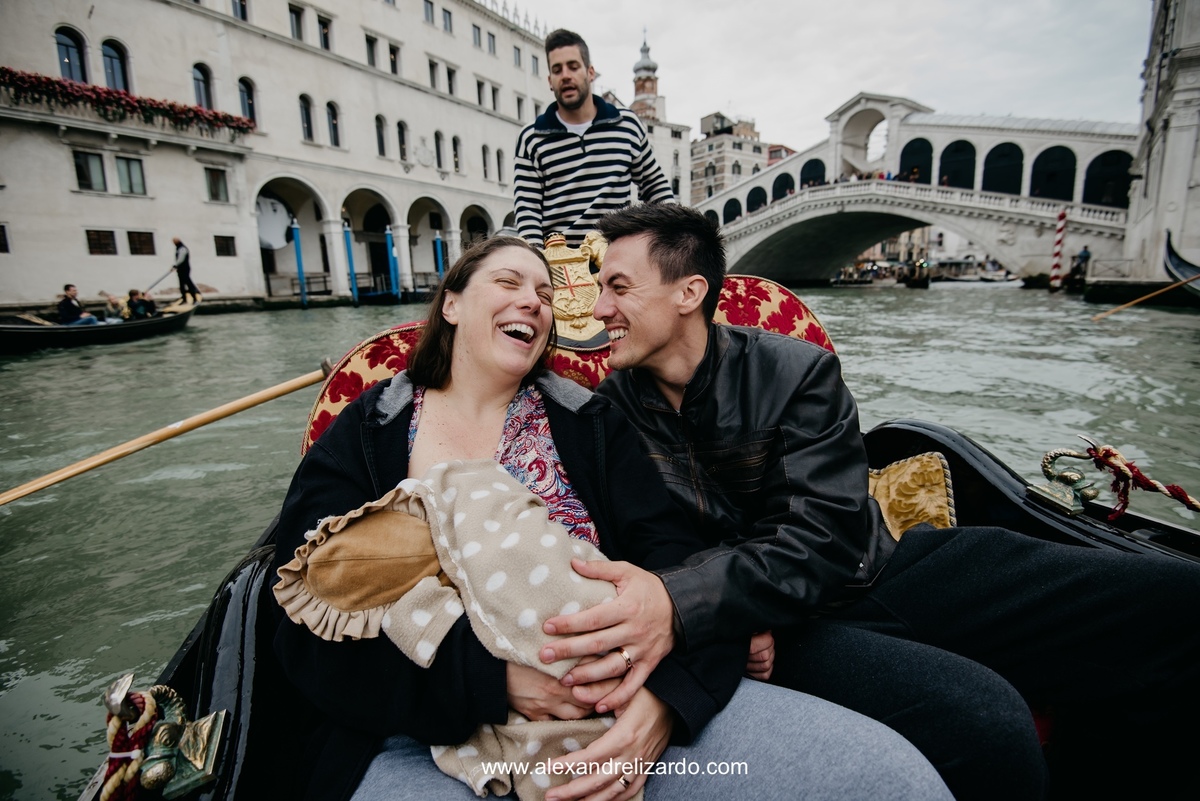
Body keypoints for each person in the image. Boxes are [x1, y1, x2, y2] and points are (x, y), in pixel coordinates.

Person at [534, 203, 1200, 801]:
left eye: (618, 286)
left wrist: (700, 601)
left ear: (689, 292)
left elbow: (823, 536)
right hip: (793, 633)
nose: (595, 311)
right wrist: (728, 617)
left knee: (1174, 599)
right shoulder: (609, 414)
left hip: (883, 570)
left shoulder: (794, 370)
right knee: (987, 720)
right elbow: (644, 542)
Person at [269, 236, 952, 801]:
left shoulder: (590, 423)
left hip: (625, 706)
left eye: (542, 294)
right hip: (423, 732)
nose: (531, 301)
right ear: (451, 301)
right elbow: (301, 619)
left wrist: (663, 705)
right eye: (508, 281)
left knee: (893, 784)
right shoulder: (368, 431)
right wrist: (491, 680)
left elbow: (681, 558)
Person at [513, 29, 674, 248]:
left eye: (573, 66)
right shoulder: (531, 139)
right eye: (557, 70)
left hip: (616, 260)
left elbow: (655, 188)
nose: (566, 75)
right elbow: (528, 213)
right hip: (559, 265)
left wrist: (675, 239)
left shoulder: (626, 125)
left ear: (590, 72)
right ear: (550, 81)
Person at [171, 237, 201, 304]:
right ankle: (184, 299)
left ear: (176, 242)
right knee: (181, 285)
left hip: (185, 269)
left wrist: (175, 265)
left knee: (188, 283)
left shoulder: (182, 248)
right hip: (180, 269)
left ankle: (195, 298)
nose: (173, 243)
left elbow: (181, 259)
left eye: (173, 242)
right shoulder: (178, 248)